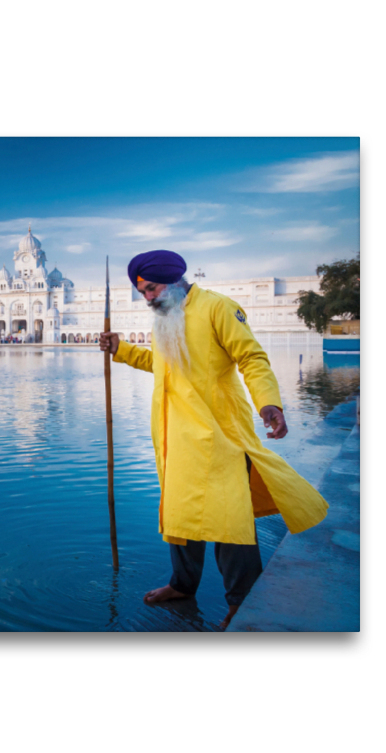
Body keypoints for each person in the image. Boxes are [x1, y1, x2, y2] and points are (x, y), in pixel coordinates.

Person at [99, 249, 328, 629]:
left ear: (174, 282)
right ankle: (182, 585)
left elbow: (251, 358)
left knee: (228, 520)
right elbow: (162, 366)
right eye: (143, 293)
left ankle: (241, 602)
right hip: (176, 436)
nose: (148, 298)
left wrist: (269, 403)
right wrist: (121, 350)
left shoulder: (219, 308)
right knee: (181, 514)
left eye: (152, 289)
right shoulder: (167, 318)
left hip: (217, 434)